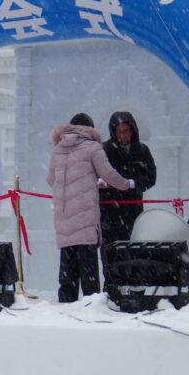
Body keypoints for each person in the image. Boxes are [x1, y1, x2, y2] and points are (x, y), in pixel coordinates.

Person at [47, 113, 132, 302]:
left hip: (63, 217)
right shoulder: (93, 147)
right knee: (89, 273)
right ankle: (90, 309)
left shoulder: (57, 150)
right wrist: (127, 185)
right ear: (90, 128)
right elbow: (109, 174)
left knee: (67, 270)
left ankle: (66, 306)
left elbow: (50, 180)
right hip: (85, 217)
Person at [99, 111, 157, 248]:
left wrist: (133, 183)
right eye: (119, 132)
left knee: (133, 250)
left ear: (132, 130)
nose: (122, 136)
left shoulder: (142, 150)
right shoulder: (104, 150)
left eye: (126, 131)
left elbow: (151, 176)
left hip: (133, 210)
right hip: (109, 212)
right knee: (110, 252)